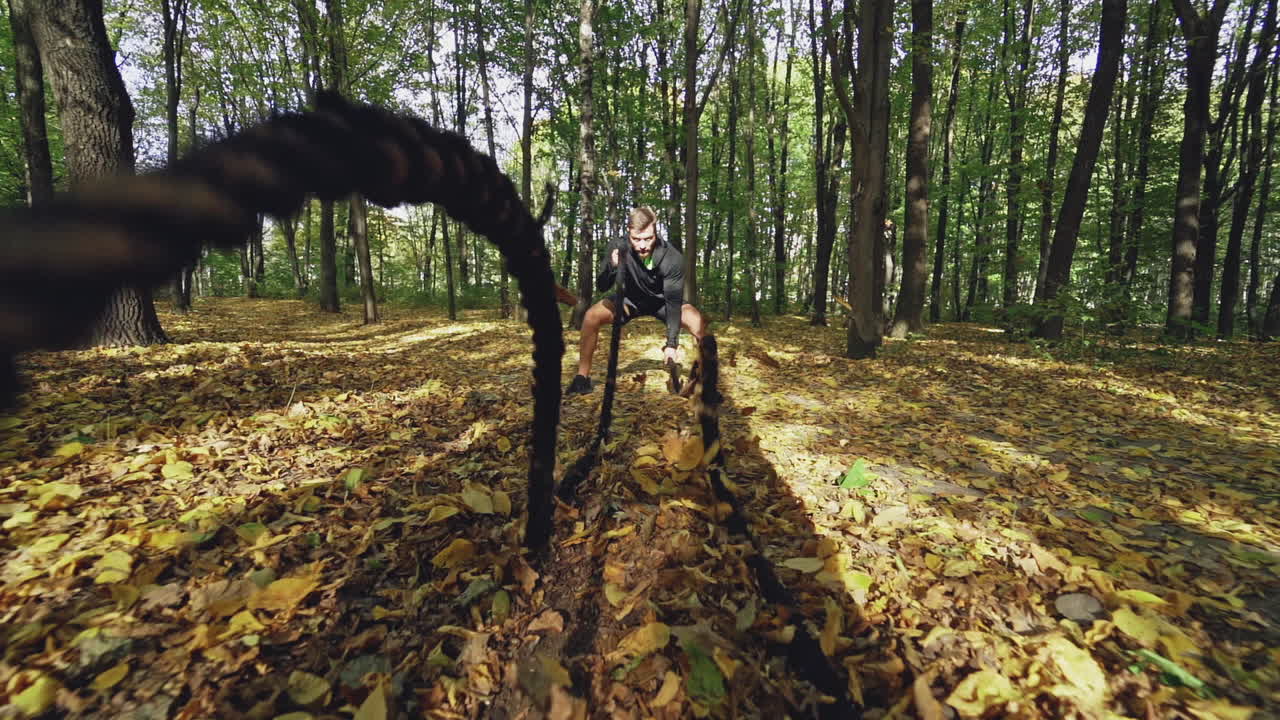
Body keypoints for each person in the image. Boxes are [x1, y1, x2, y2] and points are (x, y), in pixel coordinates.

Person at [566, 206, 707, 395]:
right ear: (628, 232)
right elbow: (602, 285)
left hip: (662, 303)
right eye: (636, 239)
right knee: (591, 316)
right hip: (629, 302)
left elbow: (673, 302)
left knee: (697, 321)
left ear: (656, 232)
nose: (642, 245)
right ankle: (582, 378)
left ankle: (705, 383)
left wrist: (671, 344)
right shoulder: (617, 247)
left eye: (648, 239)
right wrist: (612, 266)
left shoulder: (672, 258)